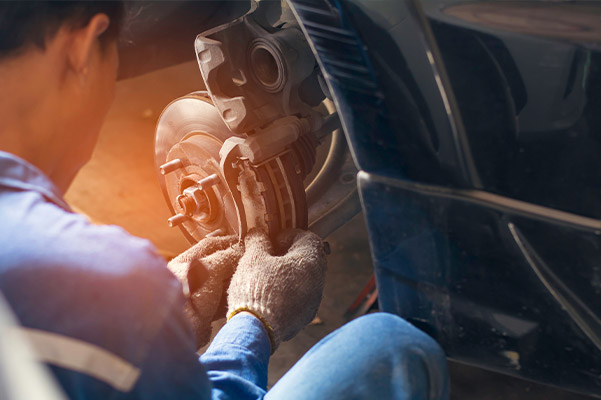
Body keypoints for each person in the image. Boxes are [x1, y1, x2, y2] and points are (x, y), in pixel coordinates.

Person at [0, 2, 450, 399]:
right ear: (81, 48)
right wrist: (251, 322)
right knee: (392, 349)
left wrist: (148, 320)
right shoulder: (99, 273)